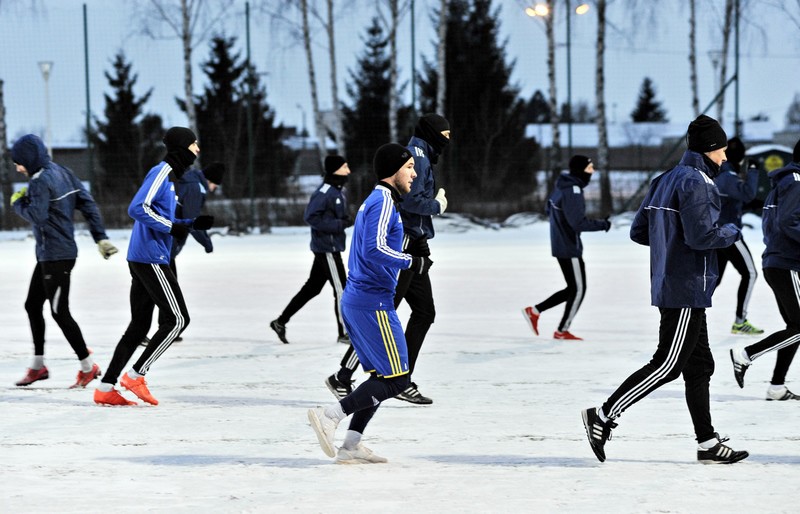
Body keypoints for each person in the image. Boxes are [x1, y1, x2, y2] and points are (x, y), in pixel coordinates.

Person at [581, 115, 749, 464]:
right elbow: (703, 237)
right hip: (686, 286)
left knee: (700, 365)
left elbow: (639, 232)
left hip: (672, 282)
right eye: (721, 150)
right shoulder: (699, 183)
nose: (725, 157)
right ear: (709, 149)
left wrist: (669, 246)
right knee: (669, 364)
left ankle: (707, 442)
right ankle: (603, 414)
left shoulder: (666, 178)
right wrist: (732, 231)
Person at [308, 142, 432, 464]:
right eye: (408, 168)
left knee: (381, 376)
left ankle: (351, 445)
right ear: (394, 170)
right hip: (371, 302)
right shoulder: (382, 202)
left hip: (363, 300)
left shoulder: (382, 200)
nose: (414, 172)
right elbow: (375, 248)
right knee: (397, 379)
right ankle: (329, 416)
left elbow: (374, 246)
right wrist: (411, 262)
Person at [325, 114, 449, 405]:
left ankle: (396, 377)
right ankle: (349, 376)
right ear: (431, 132)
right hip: (404, 241)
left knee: (424, 312)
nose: (447, 139)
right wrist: (437, 206)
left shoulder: (421, 155)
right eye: (444, 133)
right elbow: (410, 200)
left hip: (415, 241)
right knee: (384, 308)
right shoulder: (415, 156)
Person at [93, 126, 213, 406]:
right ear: (183, 147)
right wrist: (172, 226)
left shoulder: (171, 176)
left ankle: (106, 387)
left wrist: (188, 224)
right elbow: (137, 208)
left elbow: (156, 215)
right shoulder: (161, 171)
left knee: (138, 327)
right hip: (151, 257)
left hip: (145, 255)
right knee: (178, 319)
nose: (197, 149)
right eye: (195, 144)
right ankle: (136, 375)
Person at [10, 134, 118, 388]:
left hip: (57, 256)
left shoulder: (39, 181)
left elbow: (36, 215)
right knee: (32, 305)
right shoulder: (62, 171)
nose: (18, 167)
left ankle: (88, 367)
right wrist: (99, 237)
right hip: (52, 255)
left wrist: (19, 203)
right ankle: (38, 366)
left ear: (29, 159)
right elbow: (88, 204)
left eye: (19, 162)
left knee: (60, 312)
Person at [730, 139, 800, 401]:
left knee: (794, 328)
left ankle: (777, 387)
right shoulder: (795, 181)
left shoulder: (786, 181)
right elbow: (788, 221)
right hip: (786, 263)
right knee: (799, 327)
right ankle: (746, 354)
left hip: (779, 261)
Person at [522, 155, 610, 341]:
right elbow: (577, 223)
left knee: (572, 288)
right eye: (589, 168)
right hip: (569, 249)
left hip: (560, 245)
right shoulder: (574, 190)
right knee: (578, 289)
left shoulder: (560, 187)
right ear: (579, 170)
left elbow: (549, 210)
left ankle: (535, 311)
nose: (592, 171)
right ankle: (561, 330)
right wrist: (603, 224)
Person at [270, 155, 351, 345]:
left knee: (312, 288)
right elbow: (311, 217)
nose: (349, 170)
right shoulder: (324, 192)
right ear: (335, 170)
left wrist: (343, 221)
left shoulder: (338, 190)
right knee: (342, 290)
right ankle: (345, 333)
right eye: (345, 167)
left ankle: (280, 322)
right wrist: (339, 224)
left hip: (330, 246)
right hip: (327, 249)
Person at [713, 136, 764, 335]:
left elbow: (733, 200)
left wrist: (751, 203)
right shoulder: (727, 176)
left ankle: (692, 313)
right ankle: (740, 321)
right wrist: (753, 171)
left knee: (714, 280)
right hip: (729, 233)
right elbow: (747, 193)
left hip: (719, 232)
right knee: (750, 273)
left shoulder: (722, 174)